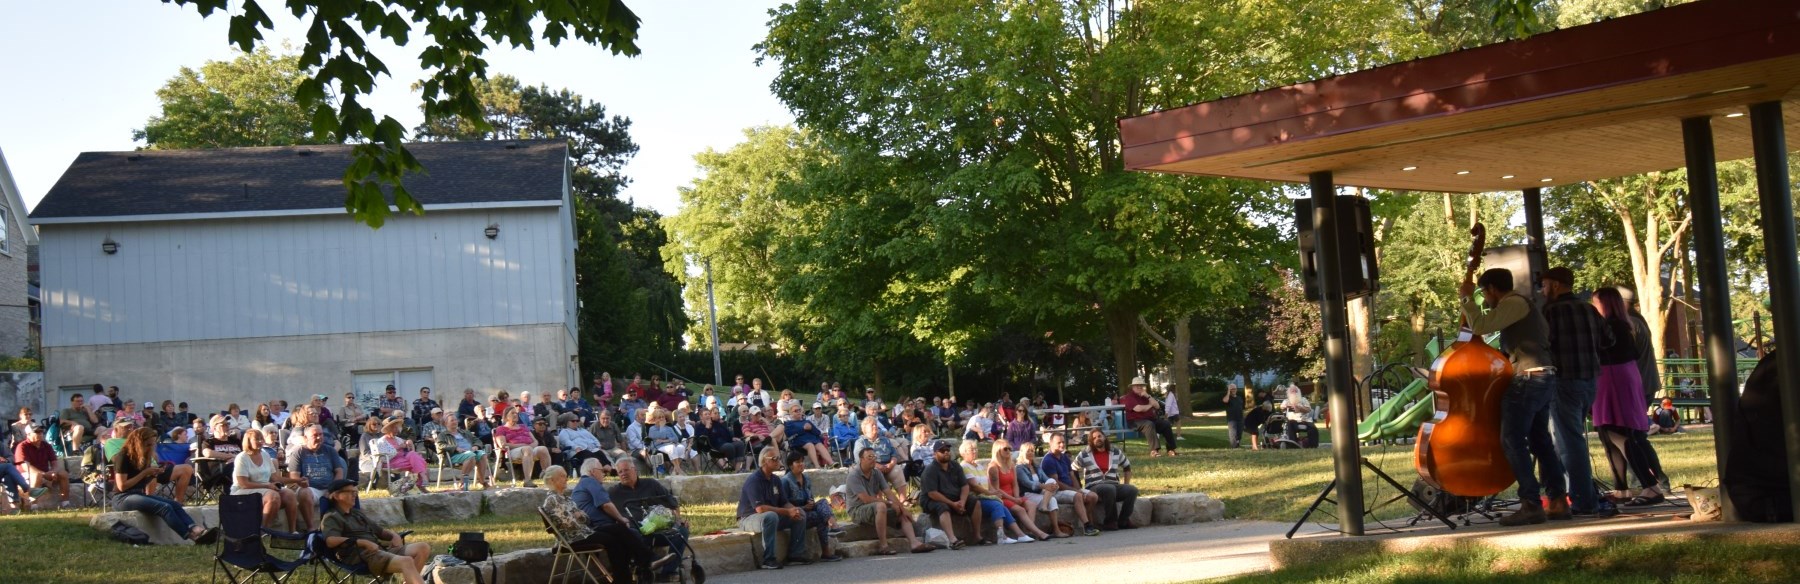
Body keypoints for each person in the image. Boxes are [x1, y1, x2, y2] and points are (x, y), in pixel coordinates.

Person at [1462, 267, 1569, 526]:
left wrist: (1466, 299)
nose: (1485, 300)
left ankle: (1531, 503)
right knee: (1539, 440)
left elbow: (1480, 326)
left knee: (1511, 438)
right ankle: (1557, 501)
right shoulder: (1522, 305)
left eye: (1484, 294)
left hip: (1529, 377)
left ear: (1491, 289)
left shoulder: (1514, 303)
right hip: (1541, 376)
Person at [1540, 266, 1618, 518]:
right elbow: (1609, 341)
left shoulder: (1550, 312)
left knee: (1569, 442)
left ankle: (1585, 501)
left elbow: (1542, 344)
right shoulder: (1589, 309)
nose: (1542, 290)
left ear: (1554, 285)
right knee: (1567, 439)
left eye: (1544, 285)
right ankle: (1566, 497)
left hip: (1563, 381)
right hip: (1589, 381)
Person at [1590, 287, 1667, 506]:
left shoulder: (1614, 327)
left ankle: (1650, 486)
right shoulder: (1623, 324)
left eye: (1596, 303)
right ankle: (1623, 489)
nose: (1593, 308)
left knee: (1623, 434)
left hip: (1614, 380)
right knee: (1611, 433)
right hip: (1616, 378)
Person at [113, 427, 220, 544]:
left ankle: (196, 529)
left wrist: (153, 474)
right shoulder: (123, 456)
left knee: (174, 504)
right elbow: (122, 486)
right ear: (138, 442)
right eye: (148, 445)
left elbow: (141, 482)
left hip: (138, 493)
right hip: (122, 497)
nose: (150, 448)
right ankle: (192, 536)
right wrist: (145, 472)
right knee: (164, 507)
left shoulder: (145, 456)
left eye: (152, 445)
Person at [321, 478, 432, 584]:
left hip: (379, 551)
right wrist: (363, 542)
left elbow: (381, 532)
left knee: (423, 547)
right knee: (406, 561)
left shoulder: (357, 513)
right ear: (336, 495)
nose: (354, 495)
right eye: (350, 492)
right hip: (361, 556)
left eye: (355, 492)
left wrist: (394, 536)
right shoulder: (332, 517)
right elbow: (330, 541)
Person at [737, 446, 818, 569]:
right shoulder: (754, 480)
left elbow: (784, 502)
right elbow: (760, 509)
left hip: (770, 517)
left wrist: (793, 510)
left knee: (800, 513)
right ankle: (768, 559)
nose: (778, 461)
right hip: (748, 518)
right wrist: (786, 511)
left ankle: (795, 555)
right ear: (764, 461)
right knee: (771, 516)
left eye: (779, 458)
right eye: (774, 458)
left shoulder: (775, 480)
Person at [607, 461, 690, 580]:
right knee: (631, 533)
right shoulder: (613, 492)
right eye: (620, 472)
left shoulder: (651, 484)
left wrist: (678, 520)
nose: (623, 474)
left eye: (626, 470)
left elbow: (672, 503)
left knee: (682, 531)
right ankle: (650, 565)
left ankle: (667, 572)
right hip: (636, 533)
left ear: (635, 470)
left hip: (659, 529)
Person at [847, 447, 933, 555]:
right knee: (881, 506)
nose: (873, 459)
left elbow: (889, 493)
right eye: (869, 457)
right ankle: (883, 546)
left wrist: (903, 509)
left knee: (899, 510)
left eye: (874, 457)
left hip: (874, 507)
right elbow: (866, 499)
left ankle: (914, 543)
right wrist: (889, 503)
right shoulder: (854, 475)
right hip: (857, 510)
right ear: (861, 459)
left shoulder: (876, 473)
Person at [958, 439, 1035, 544]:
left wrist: (995, 493)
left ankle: (1020, 534)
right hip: (976, 498)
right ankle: (1003, 536)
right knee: (997, 505)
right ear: (963, 453)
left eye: (976, 449)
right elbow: (974, 486)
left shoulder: (979, 466)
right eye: (972, 450)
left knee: (1000, 504)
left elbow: (990, 485)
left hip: (987, 497)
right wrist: (992, 493)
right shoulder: (964, 466)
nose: (975, 451)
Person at [780, 452, 847, 561]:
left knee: (822, 503)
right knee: (821, 517)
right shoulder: (785, 481)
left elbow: (809, 496)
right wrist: (803, 507)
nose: (801, 464)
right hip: (796, 514)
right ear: (791, 465)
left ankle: (832, 532)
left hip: (807, 510)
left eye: (802, 461)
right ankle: (832, 532)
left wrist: (810, 503)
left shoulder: (806, 478)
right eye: (798, 462)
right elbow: (784, 503)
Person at [232, 429, 304, 529]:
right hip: (243, 491)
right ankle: (263, 530)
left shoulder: (265, 455)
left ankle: (292, 531)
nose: (261, 441)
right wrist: (267, 486)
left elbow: (275, 478)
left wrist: (297, 480)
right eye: (257, 439)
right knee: (273, 496)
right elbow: (243, 484)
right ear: (248, 441)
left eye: (261, 439)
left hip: (265, 488)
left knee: (289, 494)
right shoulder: (242, 457)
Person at [987, 440, 1053, 540]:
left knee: (1032, 505)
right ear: (997, 451)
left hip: (1013, 496)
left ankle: (1029, 532)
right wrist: (1013, 499)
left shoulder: (1011, 465)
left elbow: (1015, 484)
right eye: (1005, 449)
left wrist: (1017, 497)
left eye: (1010, 449)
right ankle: (1039, 533)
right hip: (1002, 497)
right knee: (1020, 509)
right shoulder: (993, 467)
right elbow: (996, 490)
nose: (1009, 451)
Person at [1076, 428, 1137, 530]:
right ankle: (1110, 521)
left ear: (1104, 437)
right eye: (1094, 438)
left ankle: (1123, 521)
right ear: (1091, 441)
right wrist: (1078, 488)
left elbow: (1127, 466)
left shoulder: (1115, 452)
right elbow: (1073, 469)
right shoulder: (1085, 453)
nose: (1097, 439)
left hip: (1113, 485)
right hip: (1094, 486)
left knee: (1132, 490)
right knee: (1109, 488)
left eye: (1099, 436)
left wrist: (1126, 483)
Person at [287, 423, 346, 531]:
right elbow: (294, 477)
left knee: (351, 491)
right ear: (306, 438)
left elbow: (339, 472)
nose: (319, 438)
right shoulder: (298, 452)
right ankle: (311, 529)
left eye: (321, 434)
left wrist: (332, 489)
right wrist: (301, 482)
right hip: (311, 488)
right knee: (304, 492)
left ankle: (351, 526)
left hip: (330, 486)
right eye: (315, 435)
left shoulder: (330, 450)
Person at [426, 409, 492, 490]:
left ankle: (482, 481)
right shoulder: (442, 435)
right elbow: (440, 445)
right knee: (471, 456)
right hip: (454, 455)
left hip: (470, 452)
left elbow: (477, 440)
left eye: (455, 420)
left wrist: (476, 446)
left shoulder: (464, 432)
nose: (455, 422)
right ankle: (462, 483)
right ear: (446, 423)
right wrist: (455, 448)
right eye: (452, 420)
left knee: (482, 454)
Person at [1014, 440, 1066, 536]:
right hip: (1027, 494)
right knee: (1053, 499)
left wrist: (1053, 485)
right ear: (1022, 453)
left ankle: (1056, 529)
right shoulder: (1019, 468)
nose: (1030, 453)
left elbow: (1047, 479)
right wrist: (1044, 486)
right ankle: (1031, 530)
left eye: (1032, 451)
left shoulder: (1036, 467)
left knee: (1052, 482)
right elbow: (1028, 483)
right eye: (1028, 451)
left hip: (1039, 493)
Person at [14, 425, 72, 509]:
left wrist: (53, 472)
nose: (40, 434)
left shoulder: (46, 445)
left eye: (41, 432)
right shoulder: (22, 446)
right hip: (25, 474)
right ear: (28, 434)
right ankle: (33, 506)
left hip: (45, 472)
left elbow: (54, 463)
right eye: (37, 432)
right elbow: (26, 466)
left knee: (63, 474)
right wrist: (44, 474)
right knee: (36, 475)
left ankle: (66, 503)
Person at [493, 410, 551, 487]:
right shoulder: (501, 428)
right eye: (512, 413)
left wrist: (531, 446)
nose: (515, 415)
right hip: (512, 451)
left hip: (528, 449)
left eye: (516, 413)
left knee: (543, 449)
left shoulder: (523, 427)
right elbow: (502, 444)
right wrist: (522, 445)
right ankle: (527, 480)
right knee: (527, 449)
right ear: (506, 417)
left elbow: (535, 441)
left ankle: (548, 475)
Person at [1123, 377, 1178, 457]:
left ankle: (1171, 449)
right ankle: (1154, 451)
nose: (1139, 387)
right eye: (1137, 385)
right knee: (1149, 424)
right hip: (1135, 421)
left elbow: (1157, 406)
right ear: (1132, 387)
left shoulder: (1145, 396)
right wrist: (1150, 405)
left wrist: (1147, 396)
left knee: (1166, 424)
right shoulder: (1129, 397)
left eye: (1141, 385)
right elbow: (1138, 409)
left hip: (1150, 419)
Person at [376, 418, 431, 493]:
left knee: (413, 455)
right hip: (390, 462)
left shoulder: (398, 439)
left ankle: (421, 483)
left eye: (397, 427)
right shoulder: (381, 441)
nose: (397, 429)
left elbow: (408, 451)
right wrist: (399, 447)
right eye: (394, 427)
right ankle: (421, 483)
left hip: (403, 459)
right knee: (421, 462)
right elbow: (384, 457)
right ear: (388, 429)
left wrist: (409, 444)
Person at [782, 404, 834, 469]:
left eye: (799, 410)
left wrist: (811, 428)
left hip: (812, 439)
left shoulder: (807, 421)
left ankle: (831, 463)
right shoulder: (789, 423)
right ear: (791, 414)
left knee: (819, 445)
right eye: (796, 411)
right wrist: (803, 429)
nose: (798, 412)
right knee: (810, 445)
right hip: (798, 440)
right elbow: (789, 433)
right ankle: (817, 466)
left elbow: (817, 432)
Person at [1222, 382, 1246, 448]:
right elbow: (1225, 401)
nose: (1233, 390)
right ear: (1229, 390)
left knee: (1239, 433)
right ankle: (1234, 446)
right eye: (1232, 389)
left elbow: (1242, 407)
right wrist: (1228, 392)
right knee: (1233, 433)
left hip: (1240, 418)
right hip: (1232, 419)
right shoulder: (1228, 397)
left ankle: (1237, 444)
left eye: (1234, 388)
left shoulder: (1239, 398)